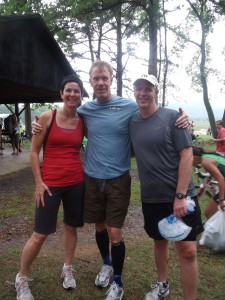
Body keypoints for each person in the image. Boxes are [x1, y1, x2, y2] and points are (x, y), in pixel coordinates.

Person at [32, 61, 189, 300]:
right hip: (92, 179)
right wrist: (39, 123)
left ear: (111, 79)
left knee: (115, 231)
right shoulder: (86, 110)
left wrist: (181, 118)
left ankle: (118, 281)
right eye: (96, 79)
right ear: (91, 82)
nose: (101, 83)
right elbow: (64, 114)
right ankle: (106, 263)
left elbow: (153, 111)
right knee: (100, 226)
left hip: (118, 179)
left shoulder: (129, 106)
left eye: (104, 78)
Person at [129, 74, 204, 300]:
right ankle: (162, 285)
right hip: (152, 197)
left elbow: (187, 156)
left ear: (156, 91)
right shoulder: (132, 122)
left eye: (148, 88)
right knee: (159, 241)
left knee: (188, 251)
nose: (143, 93)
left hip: (181, 196)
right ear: (134, 93)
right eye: (138, 88)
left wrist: (180, 195)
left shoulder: (174, 117)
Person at [15, 75, 85, 300]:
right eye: (68, 90)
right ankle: (22, 278)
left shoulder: (83, 120)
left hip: (76, 182)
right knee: (40, 233)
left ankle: (67, 267)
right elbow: (34, 152)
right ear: (61, 94)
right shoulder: (47, 117)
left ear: (81, 95)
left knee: (71, 227)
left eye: (77, 91)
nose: (72, 94)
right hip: (49, 184)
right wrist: (38, 182)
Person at [193, 147, 225, 219]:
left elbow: (221, 179)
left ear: (194, 157)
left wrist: (221, 199)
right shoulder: (207, 156)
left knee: (209, 213)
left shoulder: (205, 162)